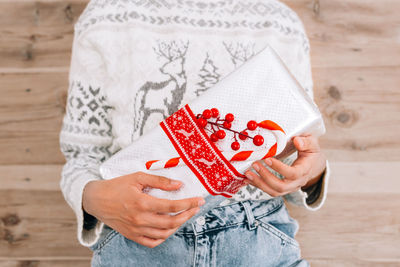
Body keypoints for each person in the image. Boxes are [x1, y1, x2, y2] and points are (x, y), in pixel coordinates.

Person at [59, 0, 330, 266]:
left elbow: (301, 144)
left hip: (258, 242)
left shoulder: (280, 23)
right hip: (138, 240)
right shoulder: (107, 16)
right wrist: (96, 199)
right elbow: (82, 156)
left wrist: (309, 172)